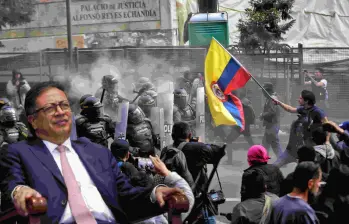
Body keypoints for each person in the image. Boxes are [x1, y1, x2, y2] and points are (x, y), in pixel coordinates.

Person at [0, 81, 186, 223]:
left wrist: (156, 193)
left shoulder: (98, 153)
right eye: (50, 108)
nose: (61, 112)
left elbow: (126, 196)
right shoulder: (17, 152)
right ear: (32, 120)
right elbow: (13, 184)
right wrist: (20, 191)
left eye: (64, 105)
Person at [260, 82, 282, 158]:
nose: (263, 93)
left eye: (263, 91)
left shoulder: (272, 98)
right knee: (267, 143)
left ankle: (281, 159)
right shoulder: (270, 98)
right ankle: (264, 159)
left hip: (272, 124)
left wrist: (263, 115)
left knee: (272, 143)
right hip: (270, 124)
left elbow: (272, 112)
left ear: (267, 90)